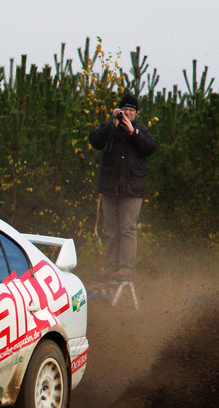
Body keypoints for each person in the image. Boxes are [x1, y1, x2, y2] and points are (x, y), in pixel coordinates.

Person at [88, 93, 158, 281]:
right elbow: (94, 140)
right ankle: (111, 266)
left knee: (127, 229)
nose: (127, 113)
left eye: (131, 110)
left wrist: (131, 132)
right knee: (110, 229)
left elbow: (150, 147)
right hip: (110, 188)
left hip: (132, 190)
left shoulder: (140, 131)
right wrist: (112, 124)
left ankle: (126, 268)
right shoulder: (110, 129)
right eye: (124, 110)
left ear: (136, 113)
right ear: (118, 111)